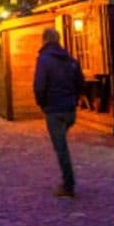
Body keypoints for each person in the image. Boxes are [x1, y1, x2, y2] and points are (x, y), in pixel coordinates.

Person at [33, 28, 85, 198]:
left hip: (54, 109)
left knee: (61, 148)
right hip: (69, 109)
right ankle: (68, 182)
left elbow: (39, 86)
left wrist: (42, 104)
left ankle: (68, 184)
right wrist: (74, 100)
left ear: (44, 40)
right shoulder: (70, 59)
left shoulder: (44, 59)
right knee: (61, 144)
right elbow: (80, 83)